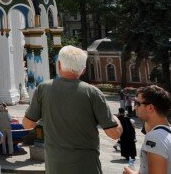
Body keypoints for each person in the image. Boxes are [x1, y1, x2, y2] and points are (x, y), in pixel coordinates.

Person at [22, 45, 122, 173]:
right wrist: (116, 119)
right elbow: (114, 133)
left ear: (59, 65)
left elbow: (27, 124)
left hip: (55, 167)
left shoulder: (43, 89)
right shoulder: (92, 92)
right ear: (84, 69)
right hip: (87, 167)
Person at [124, 84, 171, 174]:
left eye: (138, 103)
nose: (135, 107)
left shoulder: (154, 137)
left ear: (150, 107)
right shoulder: (166, 133)